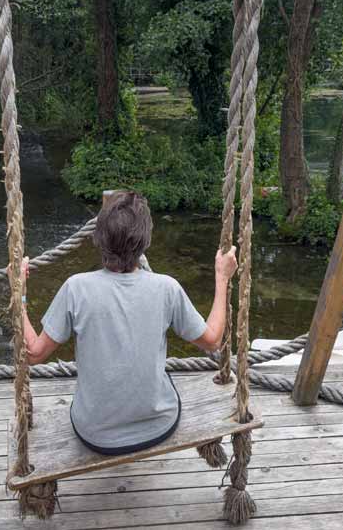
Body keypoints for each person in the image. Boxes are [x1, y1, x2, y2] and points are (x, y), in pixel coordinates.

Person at [20, 190, 238, 455]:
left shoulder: (76, 288)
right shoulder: (166, 288)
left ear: (98, 238)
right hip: (158, 427)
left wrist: (18, 293)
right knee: (164, 377)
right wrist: (222, 276)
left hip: (95, 434)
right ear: (145, 241)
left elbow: (33, 354)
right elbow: (213, 340)